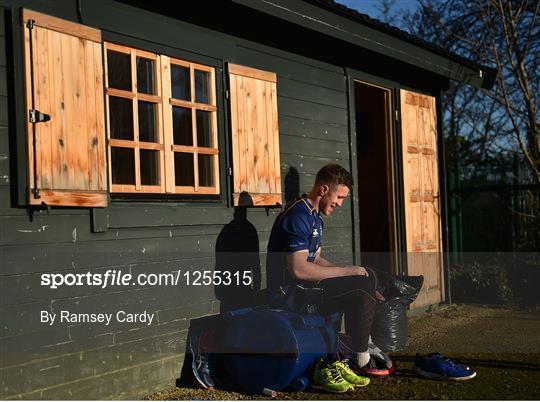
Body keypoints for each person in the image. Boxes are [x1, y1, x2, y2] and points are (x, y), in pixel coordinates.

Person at [266, 164, 391, 379]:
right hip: (289, 294)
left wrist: (352, 270)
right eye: (339, 197)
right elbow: (299, 270)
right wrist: (346, 272)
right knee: (359, 290)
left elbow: (315, 260)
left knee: (366, 276)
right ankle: (360, 358)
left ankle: (364, 344)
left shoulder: (316, 217)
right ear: (324, 190)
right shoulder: (297, 215)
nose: (340, 204)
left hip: (306, 288)